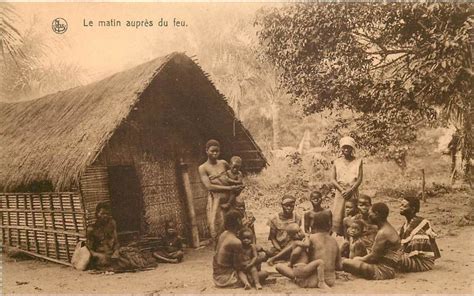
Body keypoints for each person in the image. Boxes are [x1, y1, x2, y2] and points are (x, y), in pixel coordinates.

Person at [86, 202, 156, 271]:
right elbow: (89, 249)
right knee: (110, 263)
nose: (105, 216)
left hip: (112, 254)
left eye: (107, 214)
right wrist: (98, 255)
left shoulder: (112, 223)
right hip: (101, 256)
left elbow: (116, 241)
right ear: (97, 214)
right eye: (102, 213)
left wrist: (116, 251)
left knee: (129, 262)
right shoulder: (92, 229)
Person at [199, 140, 244, 242]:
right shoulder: (203, 168)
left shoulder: (223, 163)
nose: (215, 153)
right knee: (218, 225)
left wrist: (238, 183)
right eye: (212, 151)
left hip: (231, 199)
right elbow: (209, 186)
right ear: (206, 151)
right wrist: (230, 188)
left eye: (217, 151)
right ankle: (221, 247)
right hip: (216, 200)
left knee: (235, 221)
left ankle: (236, 245)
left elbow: (234, 172)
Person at [342, 202, 401, 280]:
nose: (369, 216)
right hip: (389, 268)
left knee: (344, 262)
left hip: (383, 271)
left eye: (370, 213)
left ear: (376, 214)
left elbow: (373, 257)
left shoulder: (383, 233)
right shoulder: (386, 228)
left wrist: (359, 259)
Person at [212, 210, 268, 288]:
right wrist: (256, 260)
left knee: (258, 256)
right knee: (264, 273)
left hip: (217, 275)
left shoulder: (224, 234)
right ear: (238, 221)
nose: (244, 221)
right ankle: (250, 281)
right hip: (227, 278)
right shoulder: (236, 242)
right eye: (242, 219)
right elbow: (239, 266)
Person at [330, 136, 363, 236]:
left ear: (352, 148)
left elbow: (360, 178)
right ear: (341, 148)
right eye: (344, 147)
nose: (346, 149)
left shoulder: (358, 161)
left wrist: (351, 190)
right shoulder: (336, 161)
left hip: (352, 191)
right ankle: (340, 235)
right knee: (338, 215)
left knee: (352, 213)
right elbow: (332, 179)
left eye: (348, 147)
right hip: (340, 192)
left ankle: (352, 235)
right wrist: (341, 190)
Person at [398, 196, 441, 272]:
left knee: (393, 258)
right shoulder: (406, 225)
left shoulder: (421, 224)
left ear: (413, 209)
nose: (400, 207)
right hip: (410, 258)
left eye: (404, 206)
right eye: (401, 205)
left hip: (423, 262)